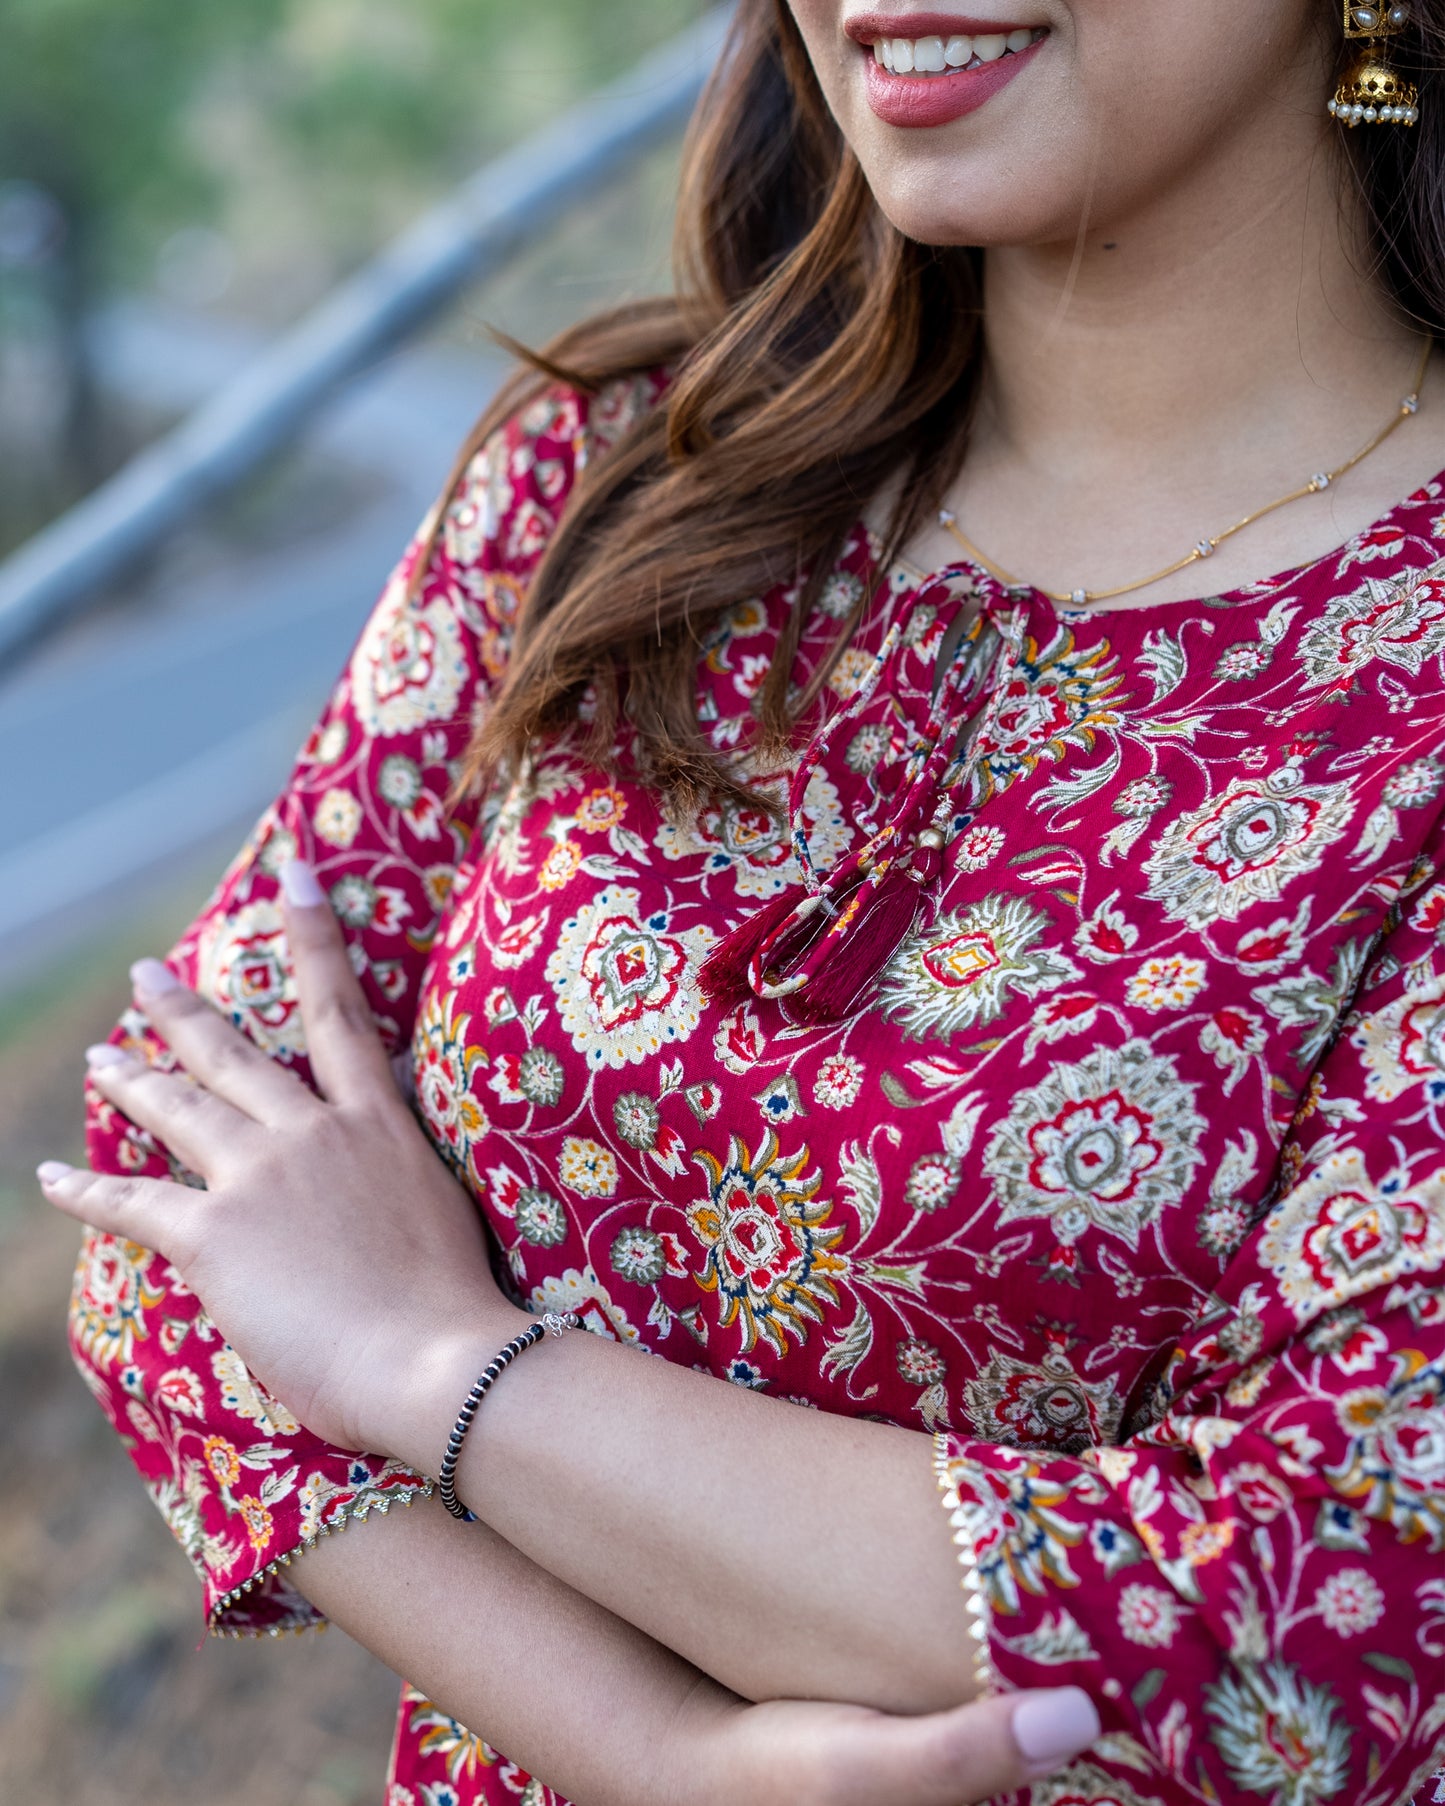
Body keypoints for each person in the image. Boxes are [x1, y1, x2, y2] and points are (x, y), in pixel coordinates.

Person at [39, 0, 1445, 1800]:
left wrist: (437, 1362)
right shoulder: (614, 476)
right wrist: (650, 1749)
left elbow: (1318, 1603)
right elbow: (181, 1177)